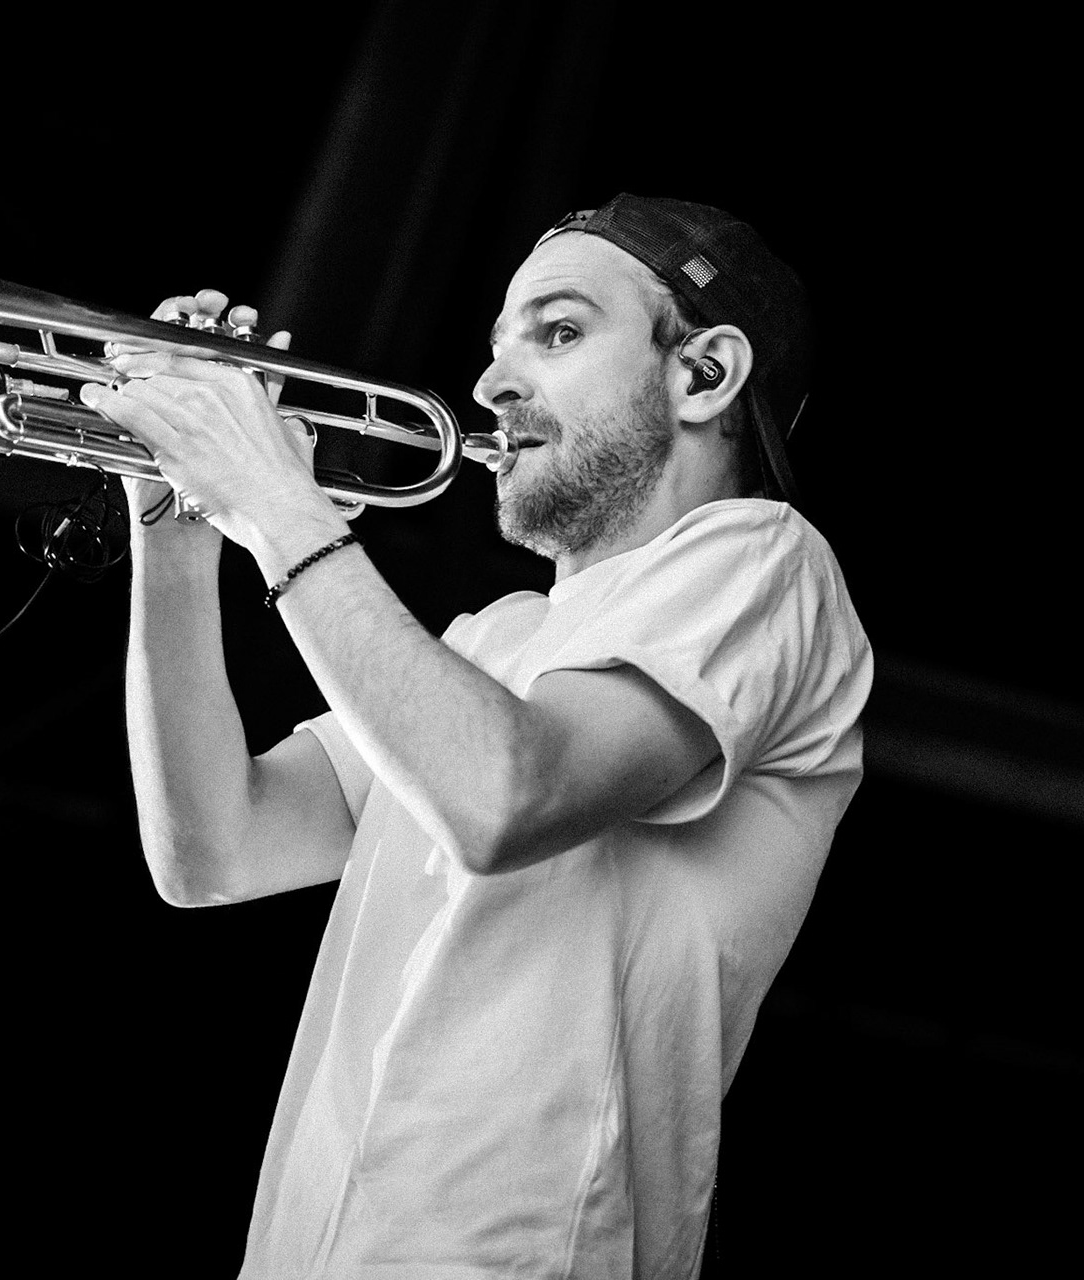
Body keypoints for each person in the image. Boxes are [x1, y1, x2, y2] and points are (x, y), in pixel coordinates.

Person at [82, 195, 873, 1279]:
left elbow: (507, 798)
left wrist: (271, 499)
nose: (493, 383)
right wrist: (172, 525)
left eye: (559, 332)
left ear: (704, 374)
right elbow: (216, 849)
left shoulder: (768, 564)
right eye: (497, 346)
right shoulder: (493, 639)